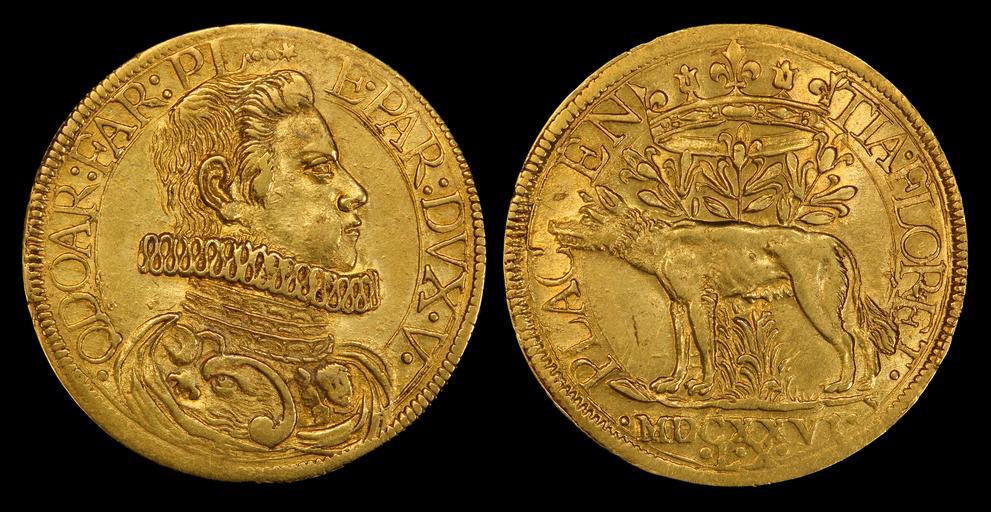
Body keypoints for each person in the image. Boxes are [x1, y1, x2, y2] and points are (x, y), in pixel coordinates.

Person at [114, 70, 390, 458]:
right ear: (223, 190)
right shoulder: (154, 380)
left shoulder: (365, 383)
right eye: (319, 169)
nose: (356, 192)